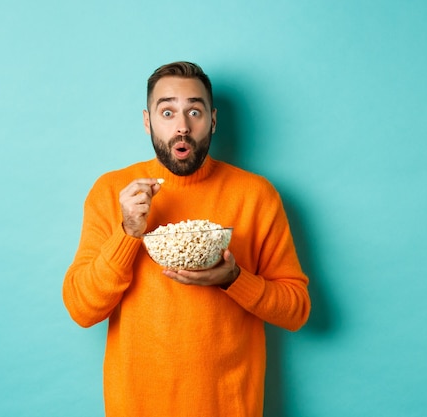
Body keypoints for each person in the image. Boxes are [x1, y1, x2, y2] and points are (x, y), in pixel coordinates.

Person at [63, 61, 311, 417]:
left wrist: (233, 280)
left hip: (229, 406)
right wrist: (129, 233)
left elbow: (296, 310)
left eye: (194, 111)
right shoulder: (112, 193)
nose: (182, 126)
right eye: (167, 112)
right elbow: (82, 309)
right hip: (136, 406)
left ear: (212, 119)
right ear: (148, 121)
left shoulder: (256, 195)